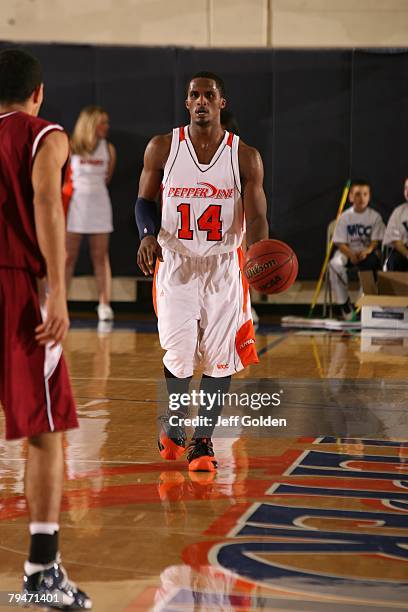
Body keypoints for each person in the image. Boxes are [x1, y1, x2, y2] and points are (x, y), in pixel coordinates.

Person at [136, 72, 268, 472]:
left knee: (218, 359)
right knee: (177, 356)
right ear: (186, 102)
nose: (200, 101)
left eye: (208, 95)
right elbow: (143, 200)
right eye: (194, 95)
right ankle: (175, 426)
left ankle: (203, 443)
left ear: (221, 102)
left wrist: (258, 254)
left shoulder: (245, 155)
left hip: (225, 265)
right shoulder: (162, 146)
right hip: (175, 262)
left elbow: (259, 215)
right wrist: (146, 235)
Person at [0, 48, 91, 608]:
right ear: (39, 92)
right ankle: (41, 571)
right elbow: (45, 204)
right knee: (46, 430)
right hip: (17, 287)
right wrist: (56, 291)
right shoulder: (45, 135)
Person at [65, 105, 116, 322]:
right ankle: (61, 303)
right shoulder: (71, 146)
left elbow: (107, 177)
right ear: (90, 124)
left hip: (99, 204)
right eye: (102, 122)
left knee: (100, 256)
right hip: (75, 204)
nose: (106, 126)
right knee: (68, 257)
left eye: (106, 122)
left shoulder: (109, 149)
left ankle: (104, 304)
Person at [329, 179, 385, 320]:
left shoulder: (375, 217)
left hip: (367, 253)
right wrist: (350, 254)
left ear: (369, 196)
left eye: (365, 194)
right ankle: (344, 305)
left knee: (370, 266)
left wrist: (367, 251)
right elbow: (339, 242)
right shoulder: (344, 217)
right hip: (347, 252)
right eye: (358, 194)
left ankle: (361, 307)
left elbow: (376, 241)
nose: (362, 198)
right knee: (334, 265)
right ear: (351, 197)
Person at [383, 177, 408, 270]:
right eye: (406, 188)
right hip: (403, 251)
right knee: (394, 260)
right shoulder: (398, 212)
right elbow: (395, 240)